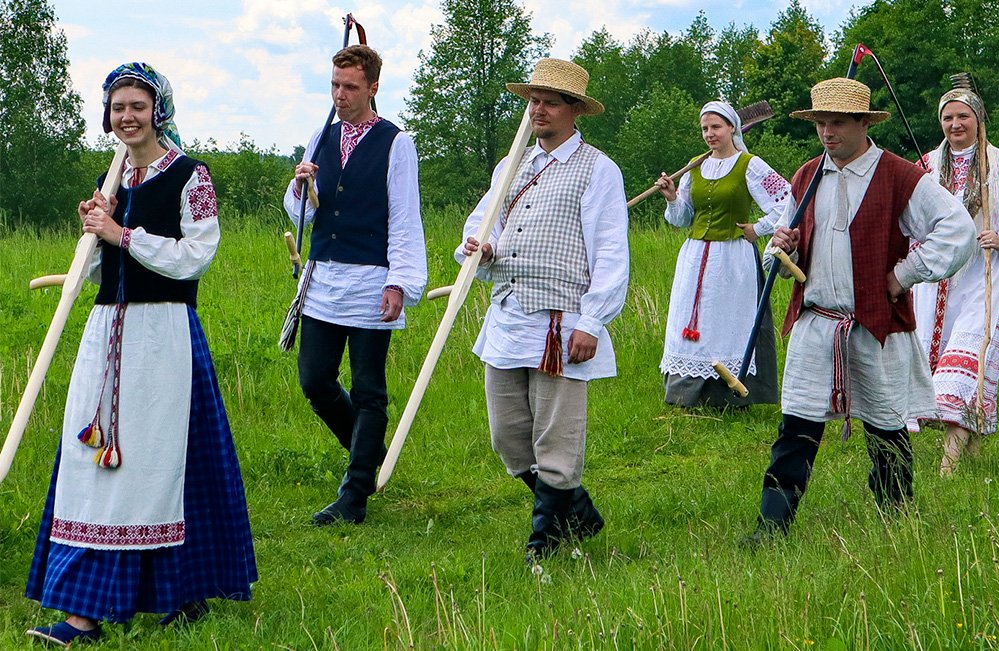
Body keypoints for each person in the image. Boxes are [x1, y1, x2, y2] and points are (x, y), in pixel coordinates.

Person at [25, 63, 257, 646]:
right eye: (117, 107)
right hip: (108, 331)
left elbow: (194, 257)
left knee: (160, 465)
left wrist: (119, 235)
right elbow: (103, 266)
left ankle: (167, 596)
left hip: (165, 336)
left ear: (159, 110)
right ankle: (93, 608)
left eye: (137, 105)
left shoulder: (190, 176)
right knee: (101, 463)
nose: (127, 116)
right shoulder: (113, 181)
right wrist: (93, 235)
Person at [744, 78, 975, 542]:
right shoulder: (808, 175)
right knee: (796, 428)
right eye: (821, 123)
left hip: (874, 323)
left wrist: (904, 275)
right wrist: (783, 245)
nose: (828, 133)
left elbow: (957, 227)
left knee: (887, 427)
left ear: (863, 123)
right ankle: (772, 526)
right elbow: (786, 241)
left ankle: (897, 521)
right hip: (816, 321)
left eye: (838, 123)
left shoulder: (897, 175)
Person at [458, 58, 629, 563]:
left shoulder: (598, 169)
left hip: (562, 322)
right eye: (533, 100)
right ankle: (578, 513)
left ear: (575, 110)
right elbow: (481, 224)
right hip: (508, 316)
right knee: (508, 437)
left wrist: (593, 322)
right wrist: (481, 248)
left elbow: (611, 250)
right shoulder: (511, 166)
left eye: (550, 101)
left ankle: (543, 546)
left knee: (556, 440)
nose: (538, 109)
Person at [283, 45, 428, 525]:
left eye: (350, 87)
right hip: (323, 279)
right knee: (315, 381)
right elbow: (303, 213)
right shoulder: (319, 137)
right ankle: (368, 458)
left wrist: (400, 283)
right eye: (334, 86)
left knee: (369, 390)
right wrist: (301, 186)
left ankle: (354, 495)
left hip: (371, 281)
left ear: (372, 88)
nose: (340, 95)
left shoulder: (396, 142)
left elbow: (406, 218)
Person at [910, 86, 999, 476]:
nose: (955, 124)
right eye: (948, 118)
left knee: (966, 368)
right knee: (934, 369)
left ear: (979, 119)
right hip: (934, 286)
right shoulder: (927, 164)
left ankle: (947, 468)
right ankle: (973, 453)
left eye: (963, 116)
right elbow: (907, 216)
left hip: (982, 282)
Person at [652, 100, 792, 408]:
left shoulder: (750, 164)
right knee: (689, 322)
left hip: (733, 259)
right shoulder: (695, 165)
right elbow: (682, 219)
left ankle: (731, 394)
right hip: (695, 257)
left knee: (728, 321)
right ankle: (685, 394)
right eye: (704, 128)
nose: (709, 134)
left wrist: (760, 227)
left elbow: (787, 200)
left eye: (716, 127)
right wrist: (673, 197)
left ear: (732, 127)